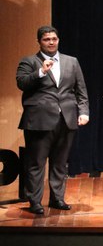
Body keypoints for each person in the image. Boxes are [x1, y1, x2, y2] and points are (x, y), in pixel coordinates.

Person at [16, 25, 90, 215]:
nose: (51, 42)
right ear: (39, 41)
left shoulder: (71, 61)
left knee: (60, 162)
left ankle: (57, 198)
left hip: (66, 119)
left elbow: (81, 91)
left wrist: (84, 112)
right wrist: (40, 71)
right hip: (39, 120)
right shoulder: (29, 61)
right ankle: (35, 201)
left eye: (54, 39)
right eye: (46, 39)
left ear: (58, 40)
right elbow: (21, 83)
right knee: (36, 163)